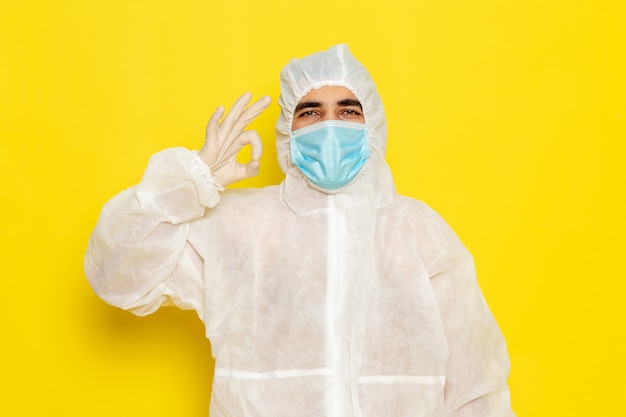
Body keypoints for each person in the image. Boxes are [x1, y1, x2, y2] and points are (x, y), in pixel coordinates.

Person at [85, 44, 515, 417]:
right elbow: (116, 275)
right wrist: (193, 181)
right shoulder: (239, 226)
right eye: (311, 112)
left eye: (348, 110)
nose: (331, 125)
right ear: (288, 132)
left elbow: (475, 385)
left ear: (373, 126)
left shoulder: (418, 231)